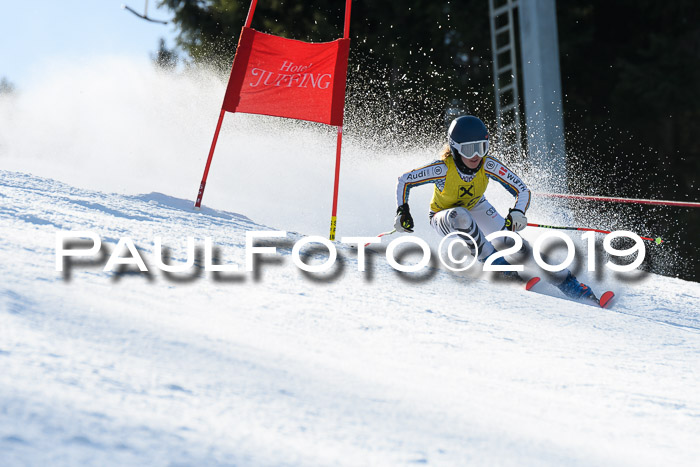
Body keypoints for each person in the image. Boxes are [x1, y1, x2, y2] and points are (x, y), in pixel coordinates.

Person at [394, 115, 596, 301]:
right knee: (461, 216)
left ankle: (571, 284)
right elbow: (405, 180)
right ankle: (501, 270)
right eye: (468, 149)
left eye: (481, 148)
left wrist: (518, 212)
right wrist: (403, 211)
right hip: (444, 216)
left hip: (477, 206)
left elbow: (522, 190)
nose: (476, 156)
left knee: (512, 242)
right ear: (455, 149)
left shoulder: (488, 165)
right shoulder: (441, 169)